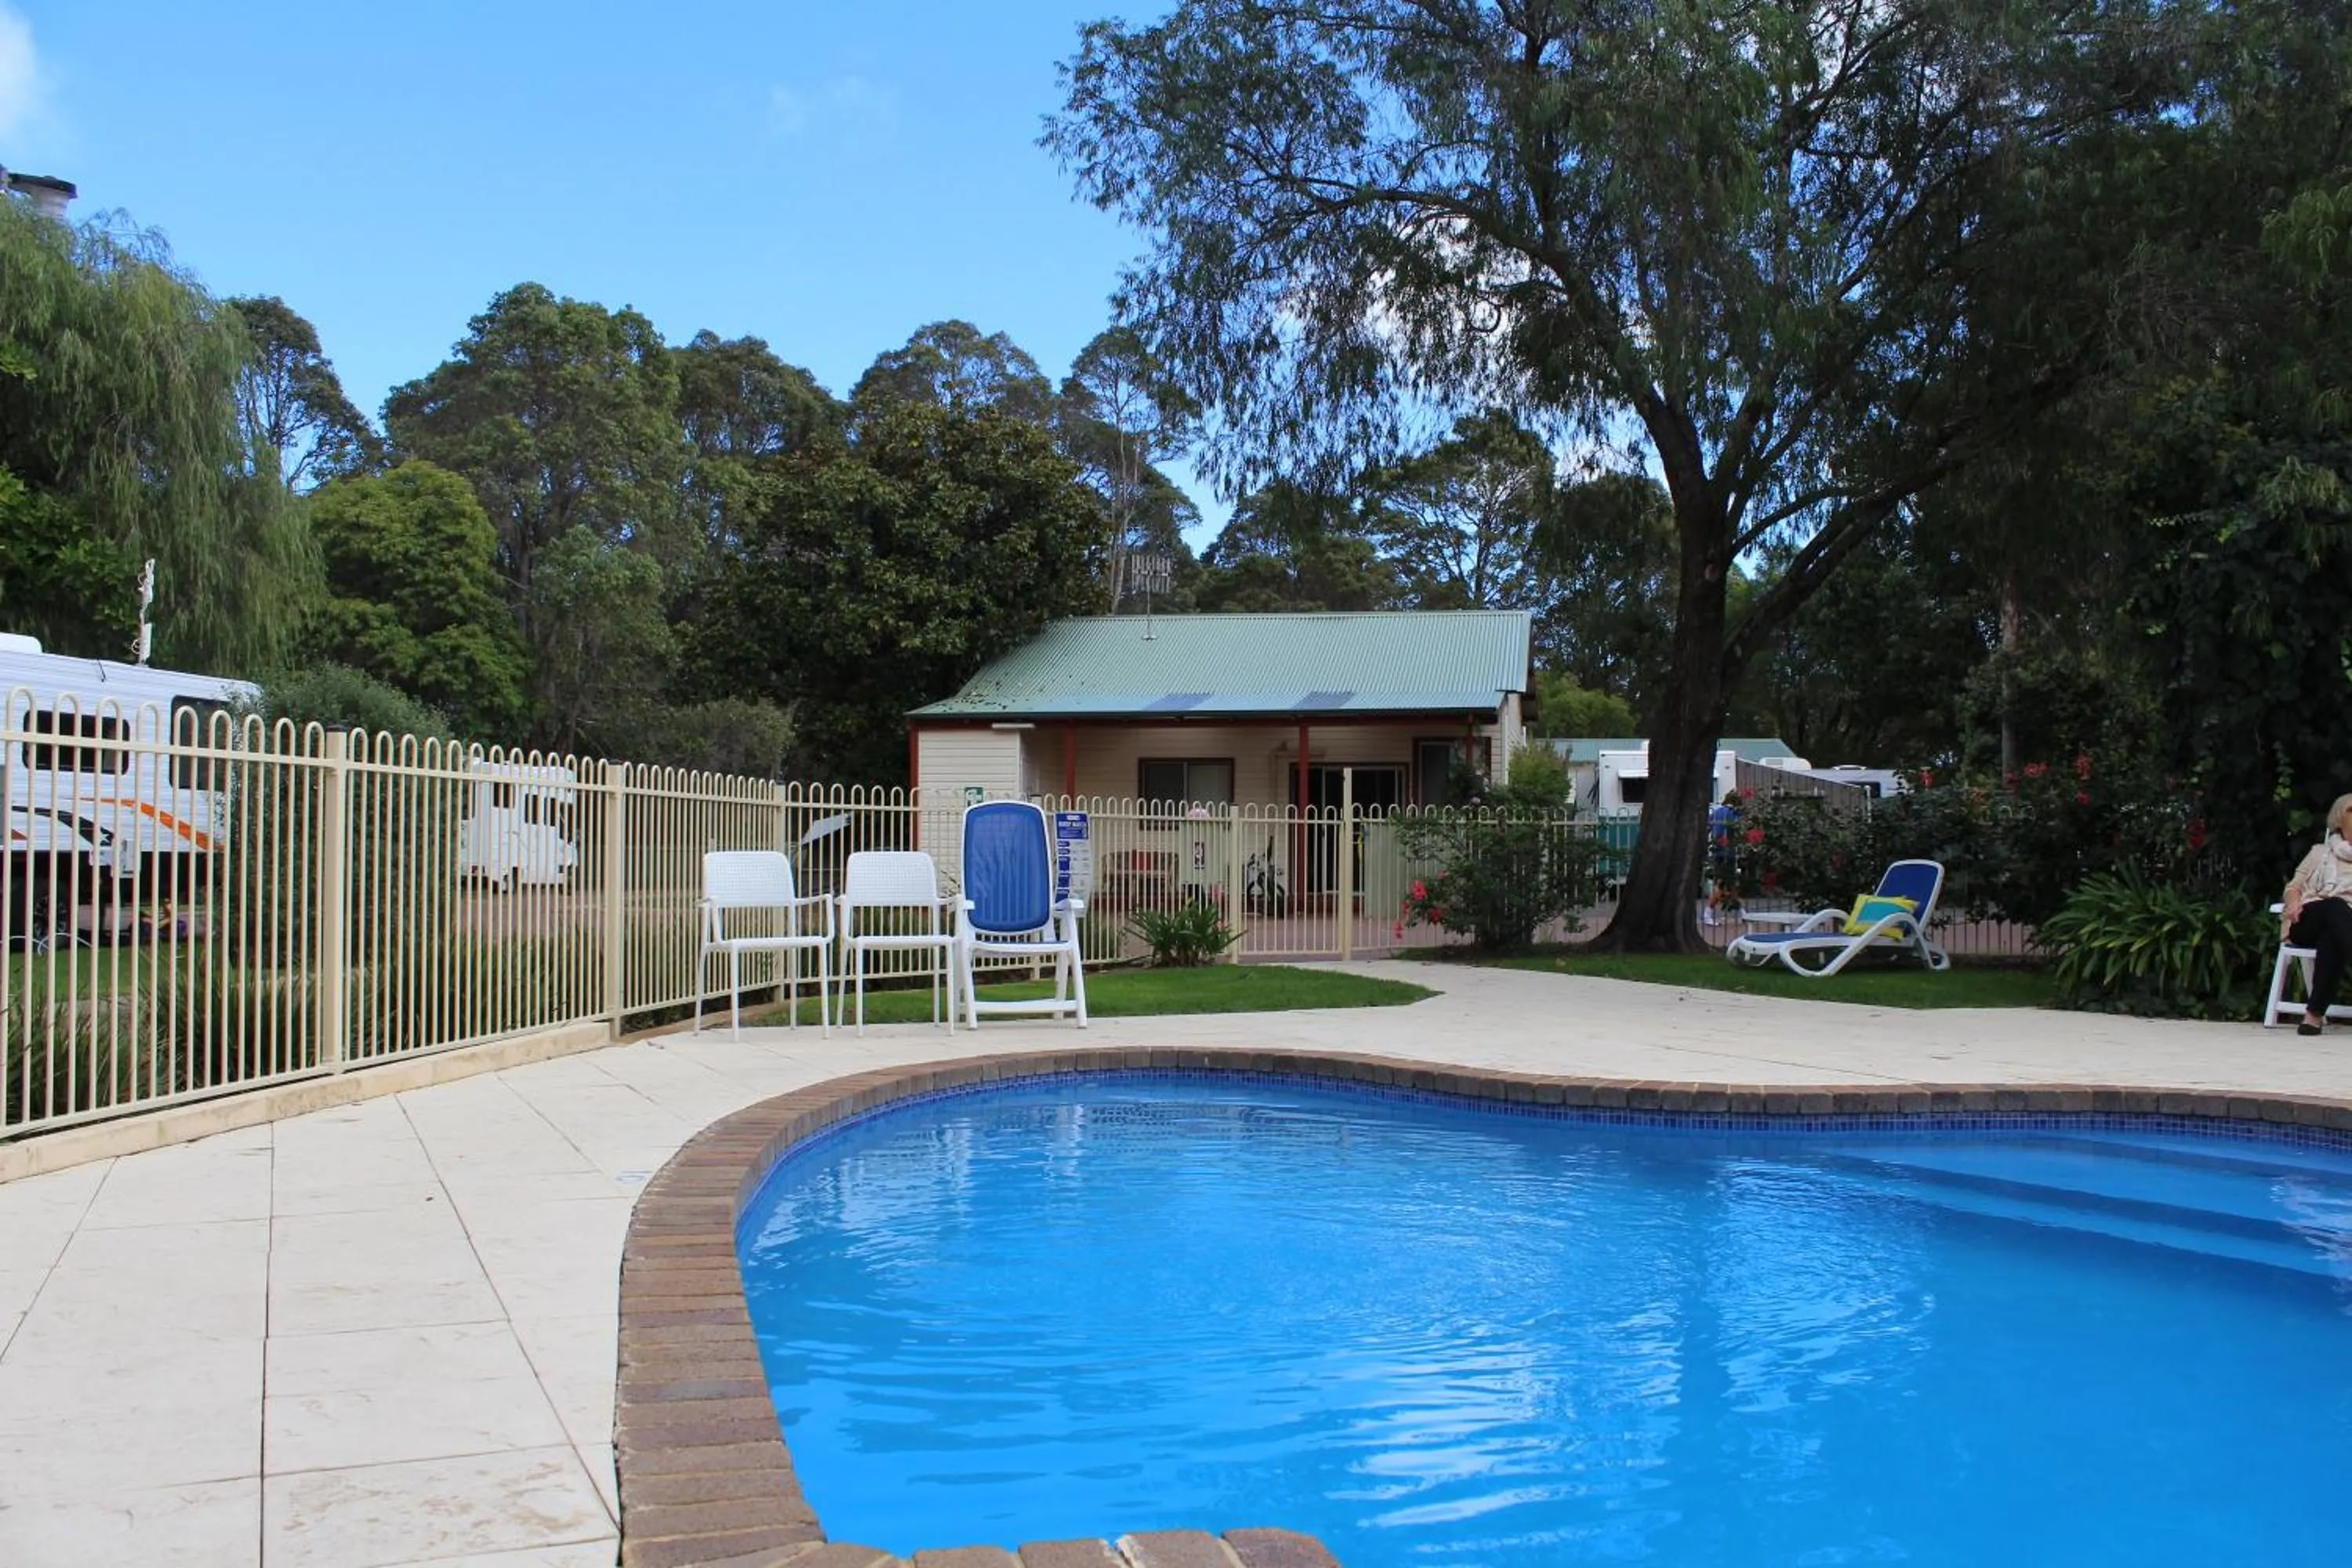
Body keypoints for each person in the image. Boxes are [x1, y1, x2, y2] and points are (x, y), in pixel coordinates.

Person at [2281, 793, 2352, 1035]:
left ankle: (2313, 1015)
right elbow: (2294, 887)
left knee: (2333, 937)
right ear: (2339, 819)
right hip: (2308, 918)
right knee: (2335, 906)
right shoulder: (2319, 853)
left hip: (2344, 927)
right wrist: (2292, 904)